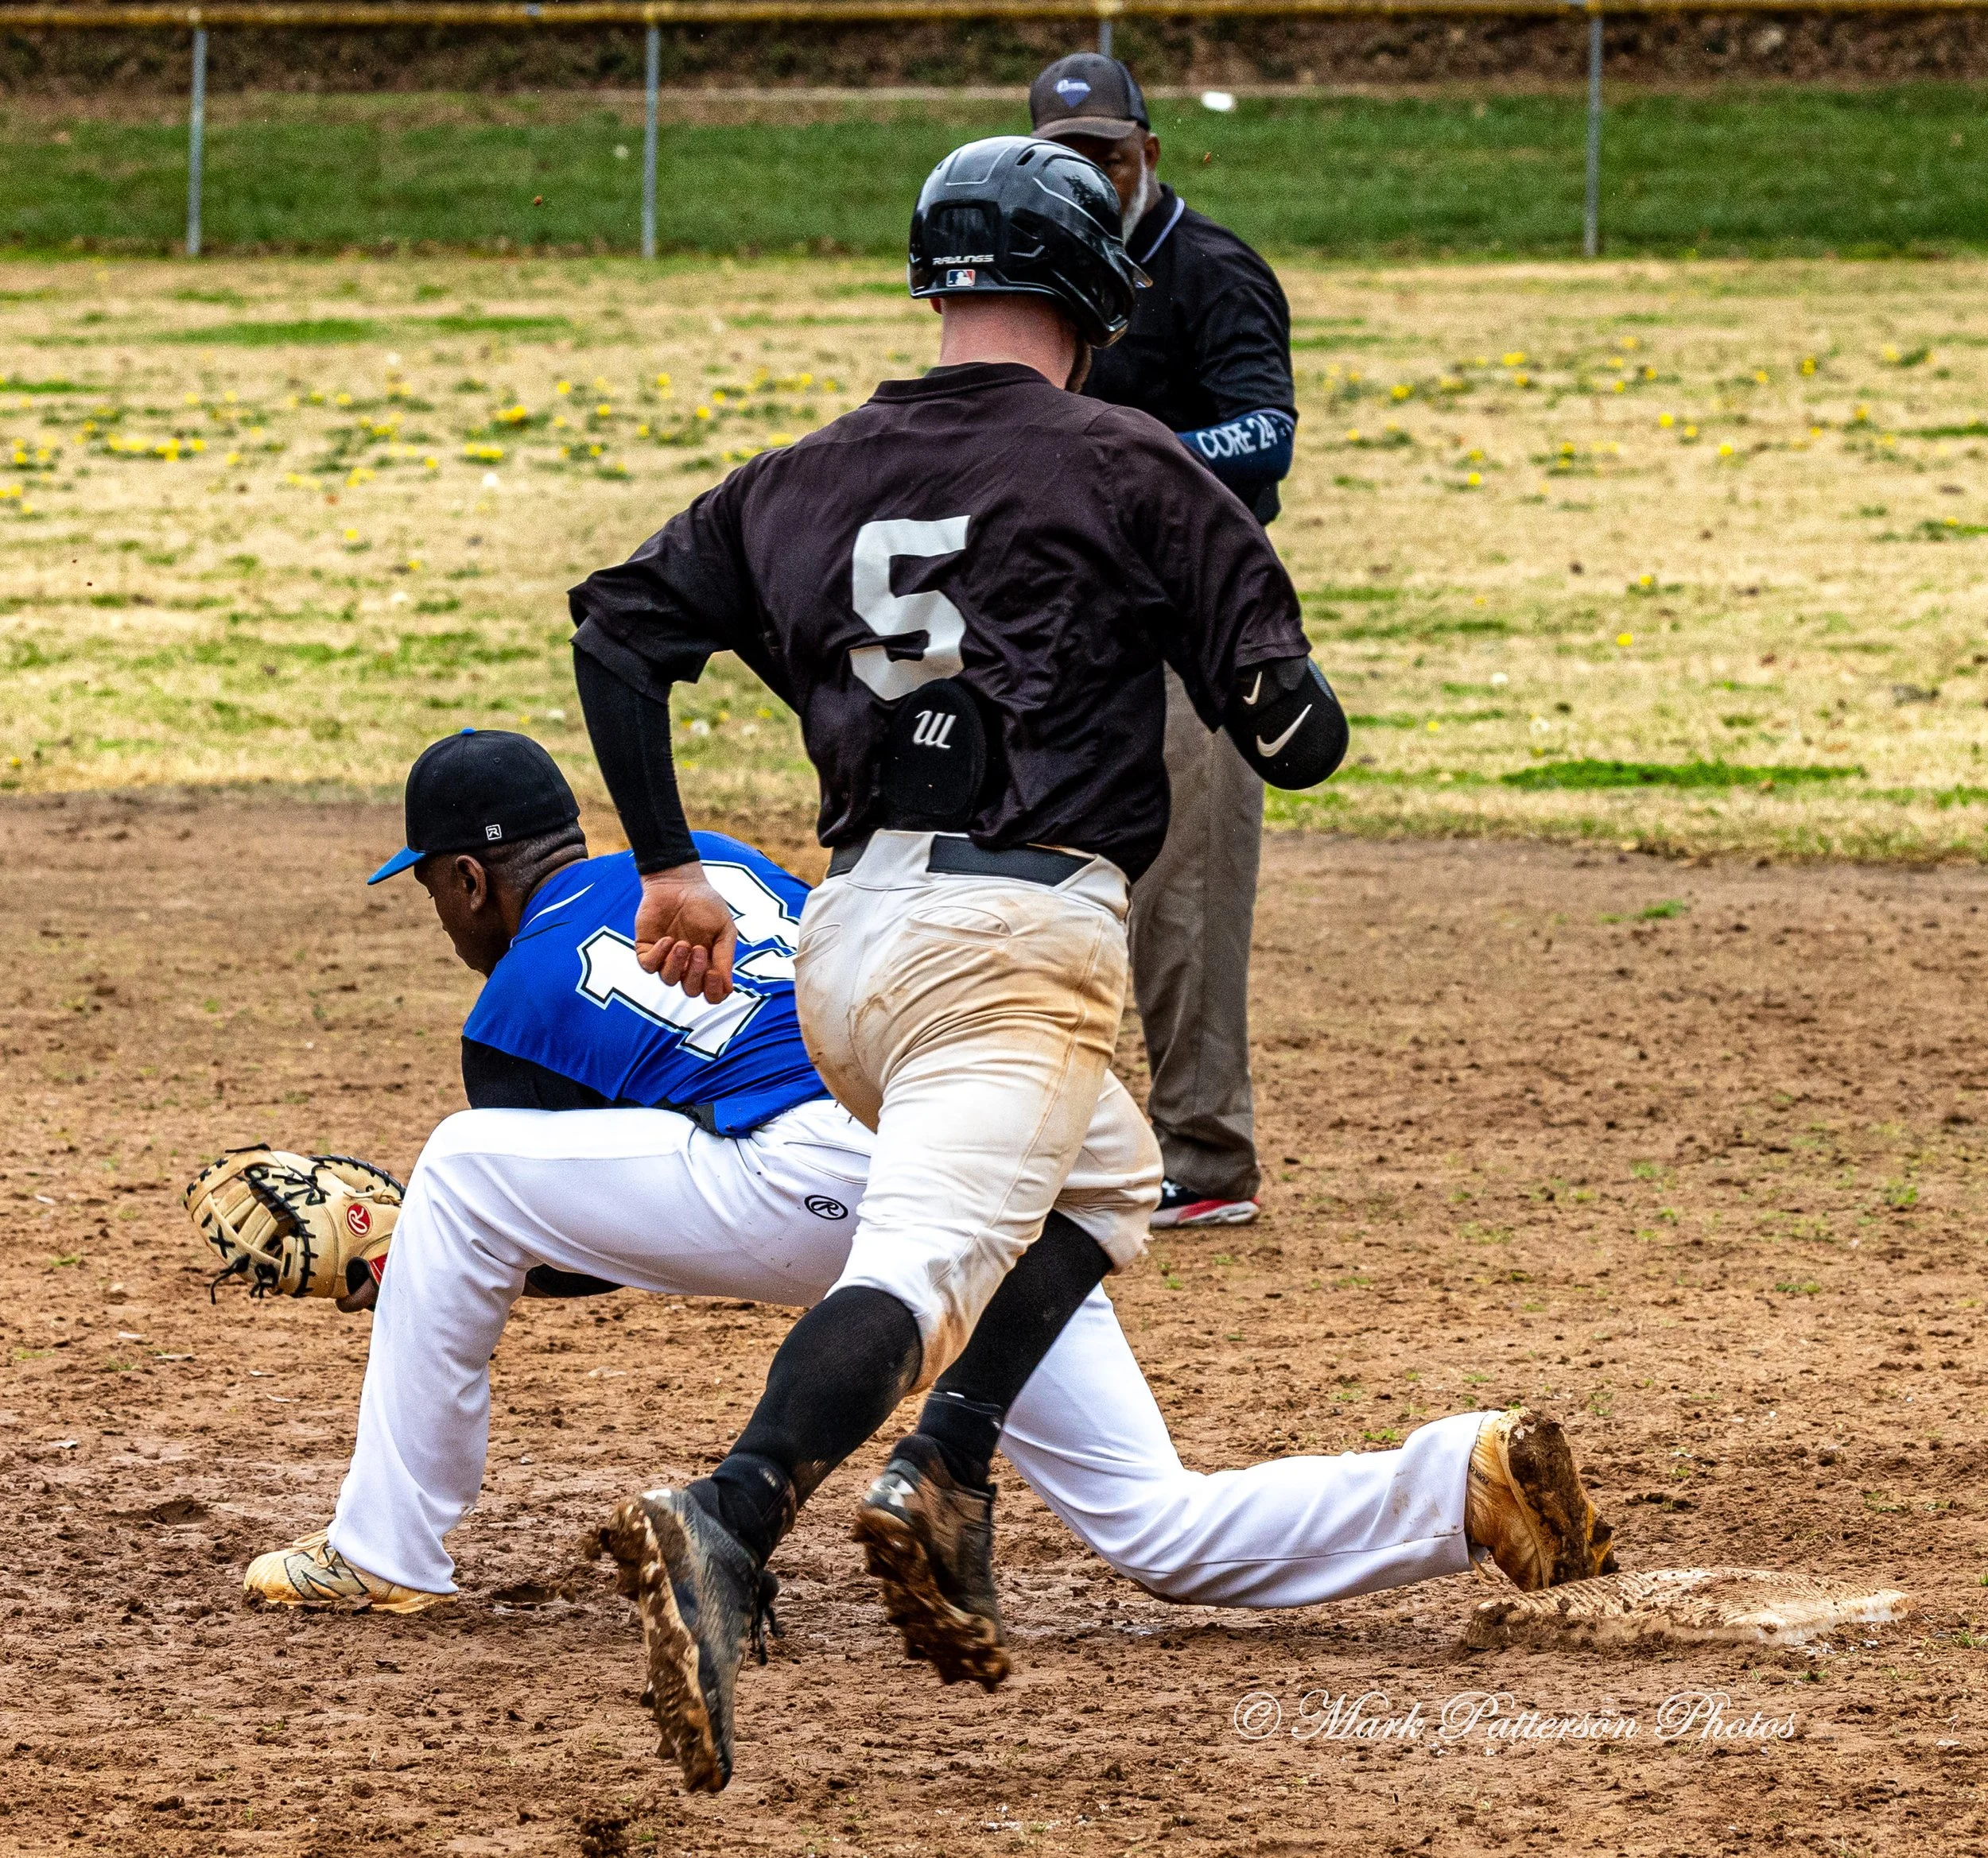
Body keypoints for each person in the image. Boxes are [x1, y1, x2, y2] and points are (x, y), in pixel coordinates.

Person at [559, 133, 1383, 1791]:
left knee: (1111, 1184)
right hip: (1015, 941)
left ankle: (949, 1461)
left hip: (849, 946)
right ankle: (730, 1512)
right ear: (1093, 292)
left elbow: (617, 630)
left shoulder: (798, 476)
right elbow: (1298, 744)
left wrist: (664, 860)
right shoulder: (1130, 462)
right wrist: (1234, 662)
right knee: (923, 1267)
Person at [243, 730, 1617, 1700]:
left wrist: (395, 1257)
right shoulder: (705, 861)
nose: (441, 920)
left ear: (469, 879)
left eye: (432, 891)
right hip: (976, 1136)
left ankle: (384, 1550)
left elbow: (575, 1261)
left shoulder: (508, 1009)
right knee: (1156, 1523)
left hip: (818, 1182)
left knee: (464, 1168)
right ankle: (1462, 1481)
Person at [1030, 52, 1299, 1229]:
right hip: (1068, 620)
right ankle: (1039, 1134)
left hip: (1198, 619)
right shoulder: (1042, 273)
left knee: (1186, 895)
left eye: (1109, 152)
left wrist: (1134, 459)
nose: (1094, 173)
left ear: (1150, 151)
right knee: (1040, 876)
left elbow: (1267, 431)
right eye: (1067, 156)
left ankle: (1205, 1152)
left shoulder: (1211, 268)